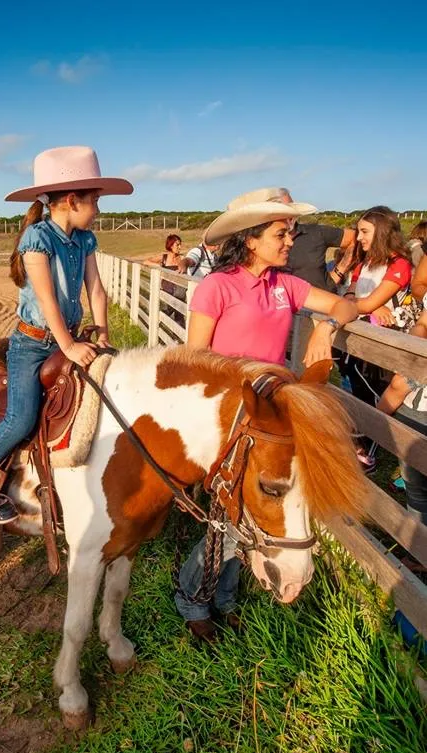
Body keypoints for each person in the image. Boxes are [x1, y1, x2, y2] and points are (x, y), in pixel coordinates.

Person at [175, 188, 360, 644]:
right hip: (227, 417)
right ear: (251, 239)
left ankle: (219, 597)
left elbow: (346, 304)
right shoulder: (219, 286)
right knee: (230, 516)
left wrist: (326, 324)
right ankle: (197, 597)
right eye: (282, 232)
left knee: (246, 516)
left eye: (291, 231)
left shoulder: (286, 286)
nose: (291, 240)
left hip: (270, 417)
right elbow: (195, 359)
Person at [0, 146, 133, 523]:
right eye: (95, 202)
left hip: (67, 336)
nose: (99, 211)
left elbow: (97, 290)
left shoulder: (86, 240)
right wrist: (69, 345)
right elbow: (47, 298)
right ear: (72, 201)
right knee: (21, 417)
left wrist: (102, 332)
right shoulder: (37, 239)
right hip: (33, 343)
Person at [340, 206, 415, 471]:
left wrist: (366, 304)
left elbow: (366, 301)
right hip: (359, 337)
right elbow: (351, 294)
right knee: (355, 389)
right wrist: (365, 304)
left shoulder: (399, 264)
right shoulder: (366, 262)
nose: (358, 237)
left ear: (382, 232)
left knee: (374, 393)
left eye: (364, 231)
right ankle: (357, 443)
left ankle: (368, 451)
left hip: (384, 345)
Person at [376, 301, 427, 525]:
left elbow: (399, 385)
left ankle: (420, 552)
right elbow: (423, 323)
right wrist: (413, 350)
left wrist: (369, 424)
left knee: (416, 486)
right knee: (415, 486)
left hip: (418, 403)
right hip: (415, 403)